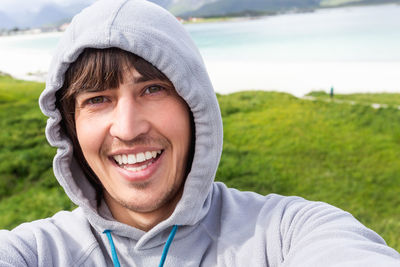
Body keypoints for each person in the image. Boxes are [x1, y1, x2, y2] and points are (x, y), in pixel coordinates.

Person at [1, 0, 399, 266]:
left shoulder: (287, 232)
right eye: (97, 99)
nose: (127, 128)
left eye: (153, 89)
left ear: (196, 108)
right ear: (70, 128)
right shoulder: (37, 252)